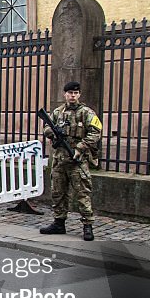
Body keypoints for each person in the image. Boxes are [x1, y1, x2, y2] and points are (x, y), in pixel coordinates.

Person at [40, 80, 102, 241]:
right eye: (69, 93)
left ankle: (87, 225)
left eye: (75, 93)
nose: (72, 96)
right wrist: (53, 133)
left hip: (77, 160)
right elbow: (46, 126)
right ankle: (59, 222)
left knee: (82, 194)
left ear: (79, 94)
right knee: (58, 193)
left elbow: (96, 132)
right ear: (65, 94)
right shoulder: (58, 112)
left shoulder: (86, 113)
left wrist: (80, 147)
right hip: (60, 160)